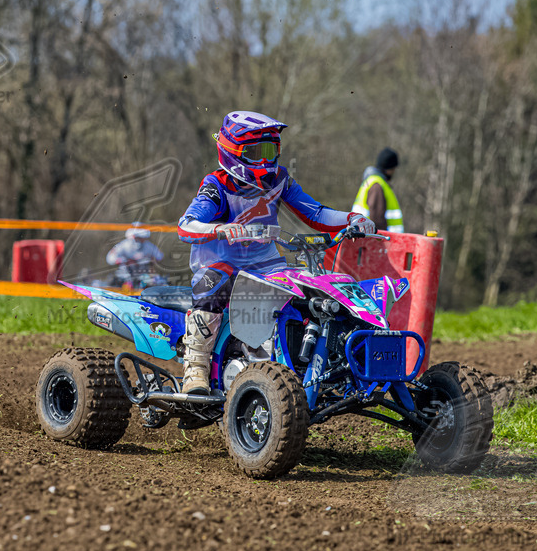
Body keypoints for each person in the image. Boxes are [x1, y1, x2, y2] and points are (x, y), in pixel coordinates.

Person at [177, 111, 378, 394]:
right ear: (233, 151)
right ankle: (195, 369)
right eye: (256, 152)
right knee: (214, 282)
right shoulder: (217, 186)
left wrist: (351, 219)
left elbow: (316, 212)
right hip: (222, 266)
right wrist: (220, 229)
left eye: (270, 151)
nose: (264, 161)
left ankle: (311, 364)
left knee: (310, 291)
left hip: (267, 265)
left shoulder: (278, 180)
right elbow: (186, 225)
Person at [351, 147, 404, 233]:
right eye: (393, 168)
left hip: (365, 239)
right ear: (388, 168)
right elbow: (377, 219)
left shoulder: (373, 182)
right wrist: (382, 240)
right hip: (374, 241)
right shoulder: (377, 186)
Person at [106, 223, 164, 288]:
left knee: (157, 282)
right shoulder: (124, 245)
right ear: (134, 237)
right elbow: (110, 258)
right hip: (124, 276)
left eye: (144, 238)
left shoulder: (148, 245)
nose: (143, 240)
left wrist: (150, 260)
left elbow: (160, 256)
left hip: (143, 276)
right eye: (141, 238)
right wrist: (123, 260)